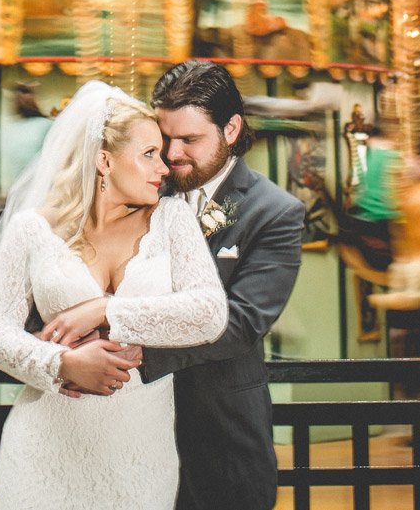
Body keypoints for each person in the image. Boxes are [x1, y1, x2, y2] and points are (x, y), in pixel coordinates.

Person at [0, 80, 228, 510]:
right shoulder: (34, 229)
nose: (163, 168)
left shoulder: (171, 220)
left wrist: (107, 309)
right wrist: (62, 363)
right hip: (43, 449)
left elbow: (209, 313)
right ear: (104, 161)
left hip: (139, 454)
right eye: (148, 154)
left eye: (161, 155)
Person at [141, 60, 305, 510]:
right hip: (128, 425)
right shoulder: (140, 191)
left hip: (220, 431)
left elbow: (242, 324)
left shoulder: (275, 213)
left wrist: (138, 354)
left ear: (231, 129)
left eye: (190, 140)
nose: (172, 154)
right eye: (164, 137)